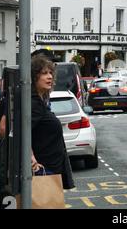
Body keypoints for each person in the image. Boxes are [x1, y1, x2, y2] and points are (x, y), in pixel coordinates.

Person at [31, 54, 75, 190]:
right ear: (34, 77)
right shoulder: (34, 104)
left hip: (51, 169)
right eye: (44, 73)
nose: (49, 76)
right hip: (43, 170)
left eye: (51, 73)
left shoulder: (41, 101)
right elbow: (22, 132)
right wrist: (31, 159)